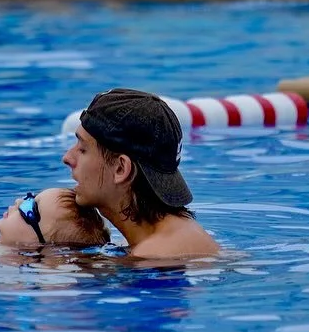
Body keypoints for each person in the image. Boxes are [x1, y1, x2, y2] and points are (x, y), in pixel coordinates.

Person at [61, 88, 220, 259]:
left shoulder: (153, 258)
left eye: (83, 149)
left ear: (121, 169)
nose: (67, 158)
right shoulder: (177, 235)